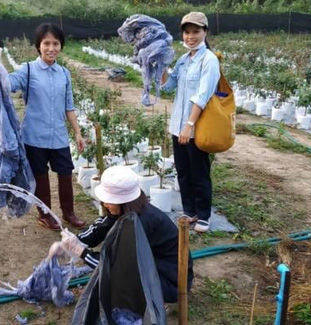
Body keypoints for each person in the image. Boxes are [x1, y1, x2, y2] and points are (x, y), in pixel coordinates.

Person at [51, 166, 194, 305]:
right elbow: (102, 225)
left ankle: (148, 303)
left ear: (124, 201)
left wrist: (81, 252)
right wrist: (76, 240)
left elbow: (114, 268)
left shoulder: (139, 225)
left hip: (170, 282)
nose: (105, 204)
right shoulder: (129, 209)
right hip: (155, 265)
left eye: (110, 201)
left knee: (117, 281)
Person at [8, 23, 87, 231]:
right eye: (46, 43)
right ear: (38, 46)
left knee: (65, 173)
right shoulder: (27, 70)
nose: (51, 48)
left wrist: (77, 132)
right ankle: (45, 214)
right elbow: (9, 83)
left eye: (56, 43)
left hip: (59, 135)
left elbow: (69, 106)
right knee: (40, 176)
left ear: (61, 46)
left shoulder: (64, 74)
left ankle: (69, 213)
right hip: (34, 136)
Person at [161, 12, 220, 233]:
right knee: (183, 171)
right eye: (187, 32)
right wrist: (160, 66)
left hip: (196, 127)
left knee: (199, 171)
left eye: (196, 31)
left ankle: (203, 215)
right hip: (178, 126)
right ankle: (190, 210)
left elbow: (202, 96)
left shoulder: (209, 60)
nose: (190, 36)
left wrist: (189, 125)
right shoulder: (184, 60)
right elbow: (169, 86)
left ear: (205, 32)